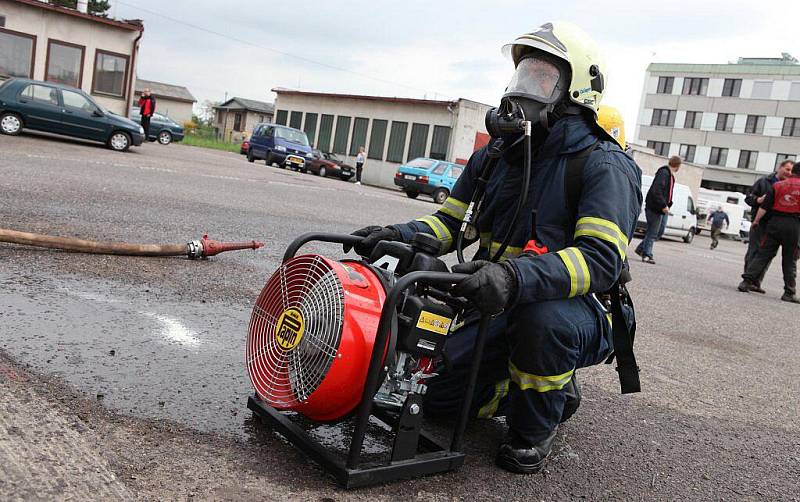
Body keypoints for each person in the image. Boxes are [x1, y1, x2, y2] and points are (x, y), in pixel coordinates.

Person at [346, 22, 641, 473]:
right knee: (440, 400)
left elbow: (600, 259)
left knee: (543, 325)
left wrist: (513, 275)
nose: (523, 89)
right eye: (522, 75)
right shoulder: (496, 156)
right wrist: (398, 234)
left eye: (541, 78)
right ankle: (508, 375)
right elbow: (449, 225)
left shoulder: (603, 164)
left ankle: (537, 424)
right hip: (495, 299)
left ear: (576, 90)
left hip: (574, 308)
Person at [739, 162, 800, 303]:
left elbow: (765, 206)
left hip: (775, 222)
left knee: (763, 254)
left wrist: (756, 221)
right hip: (794, 224)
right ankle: (789, 292)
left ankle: (746, 282)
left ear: (793, 172)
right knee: (790, 259)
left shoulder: (777, 185)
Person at [634, 156, 681, 264]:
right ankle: (647, 255)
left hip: (662, 209)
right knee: (653, 232)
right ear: (677, 165)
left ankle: (641, 249)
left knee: (659, 231)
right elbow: (657, 190)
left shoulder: (670, 175)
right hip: (655, 207)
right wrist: (663, 205)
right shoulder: (664, 173)